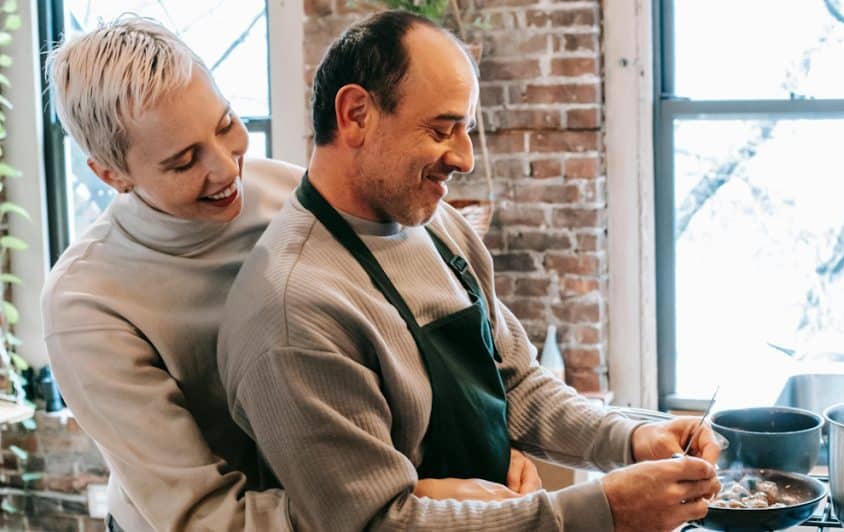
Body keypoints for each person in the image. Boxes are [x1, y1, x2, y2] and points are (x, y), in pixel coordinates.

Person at [218, 10, 721, 532]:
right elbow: (377, 523)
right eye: (442, 129)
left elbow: (517, 383)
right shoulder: (293, 310)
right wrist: (602, 511)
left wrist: (632, 440)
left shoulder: (439, 227)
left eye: (467, 129)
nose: (465, 158)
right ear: (356, 114)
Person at [41, 17, 540, 532]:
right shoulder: (85, 305)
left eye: (225, 124)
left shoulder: (287, 191)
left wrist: (485, 443)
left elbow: (400, 349)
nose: (227, 168)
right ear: (110, 173)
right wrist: (401, 497)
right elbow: (207, 516)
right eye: (184, 161)